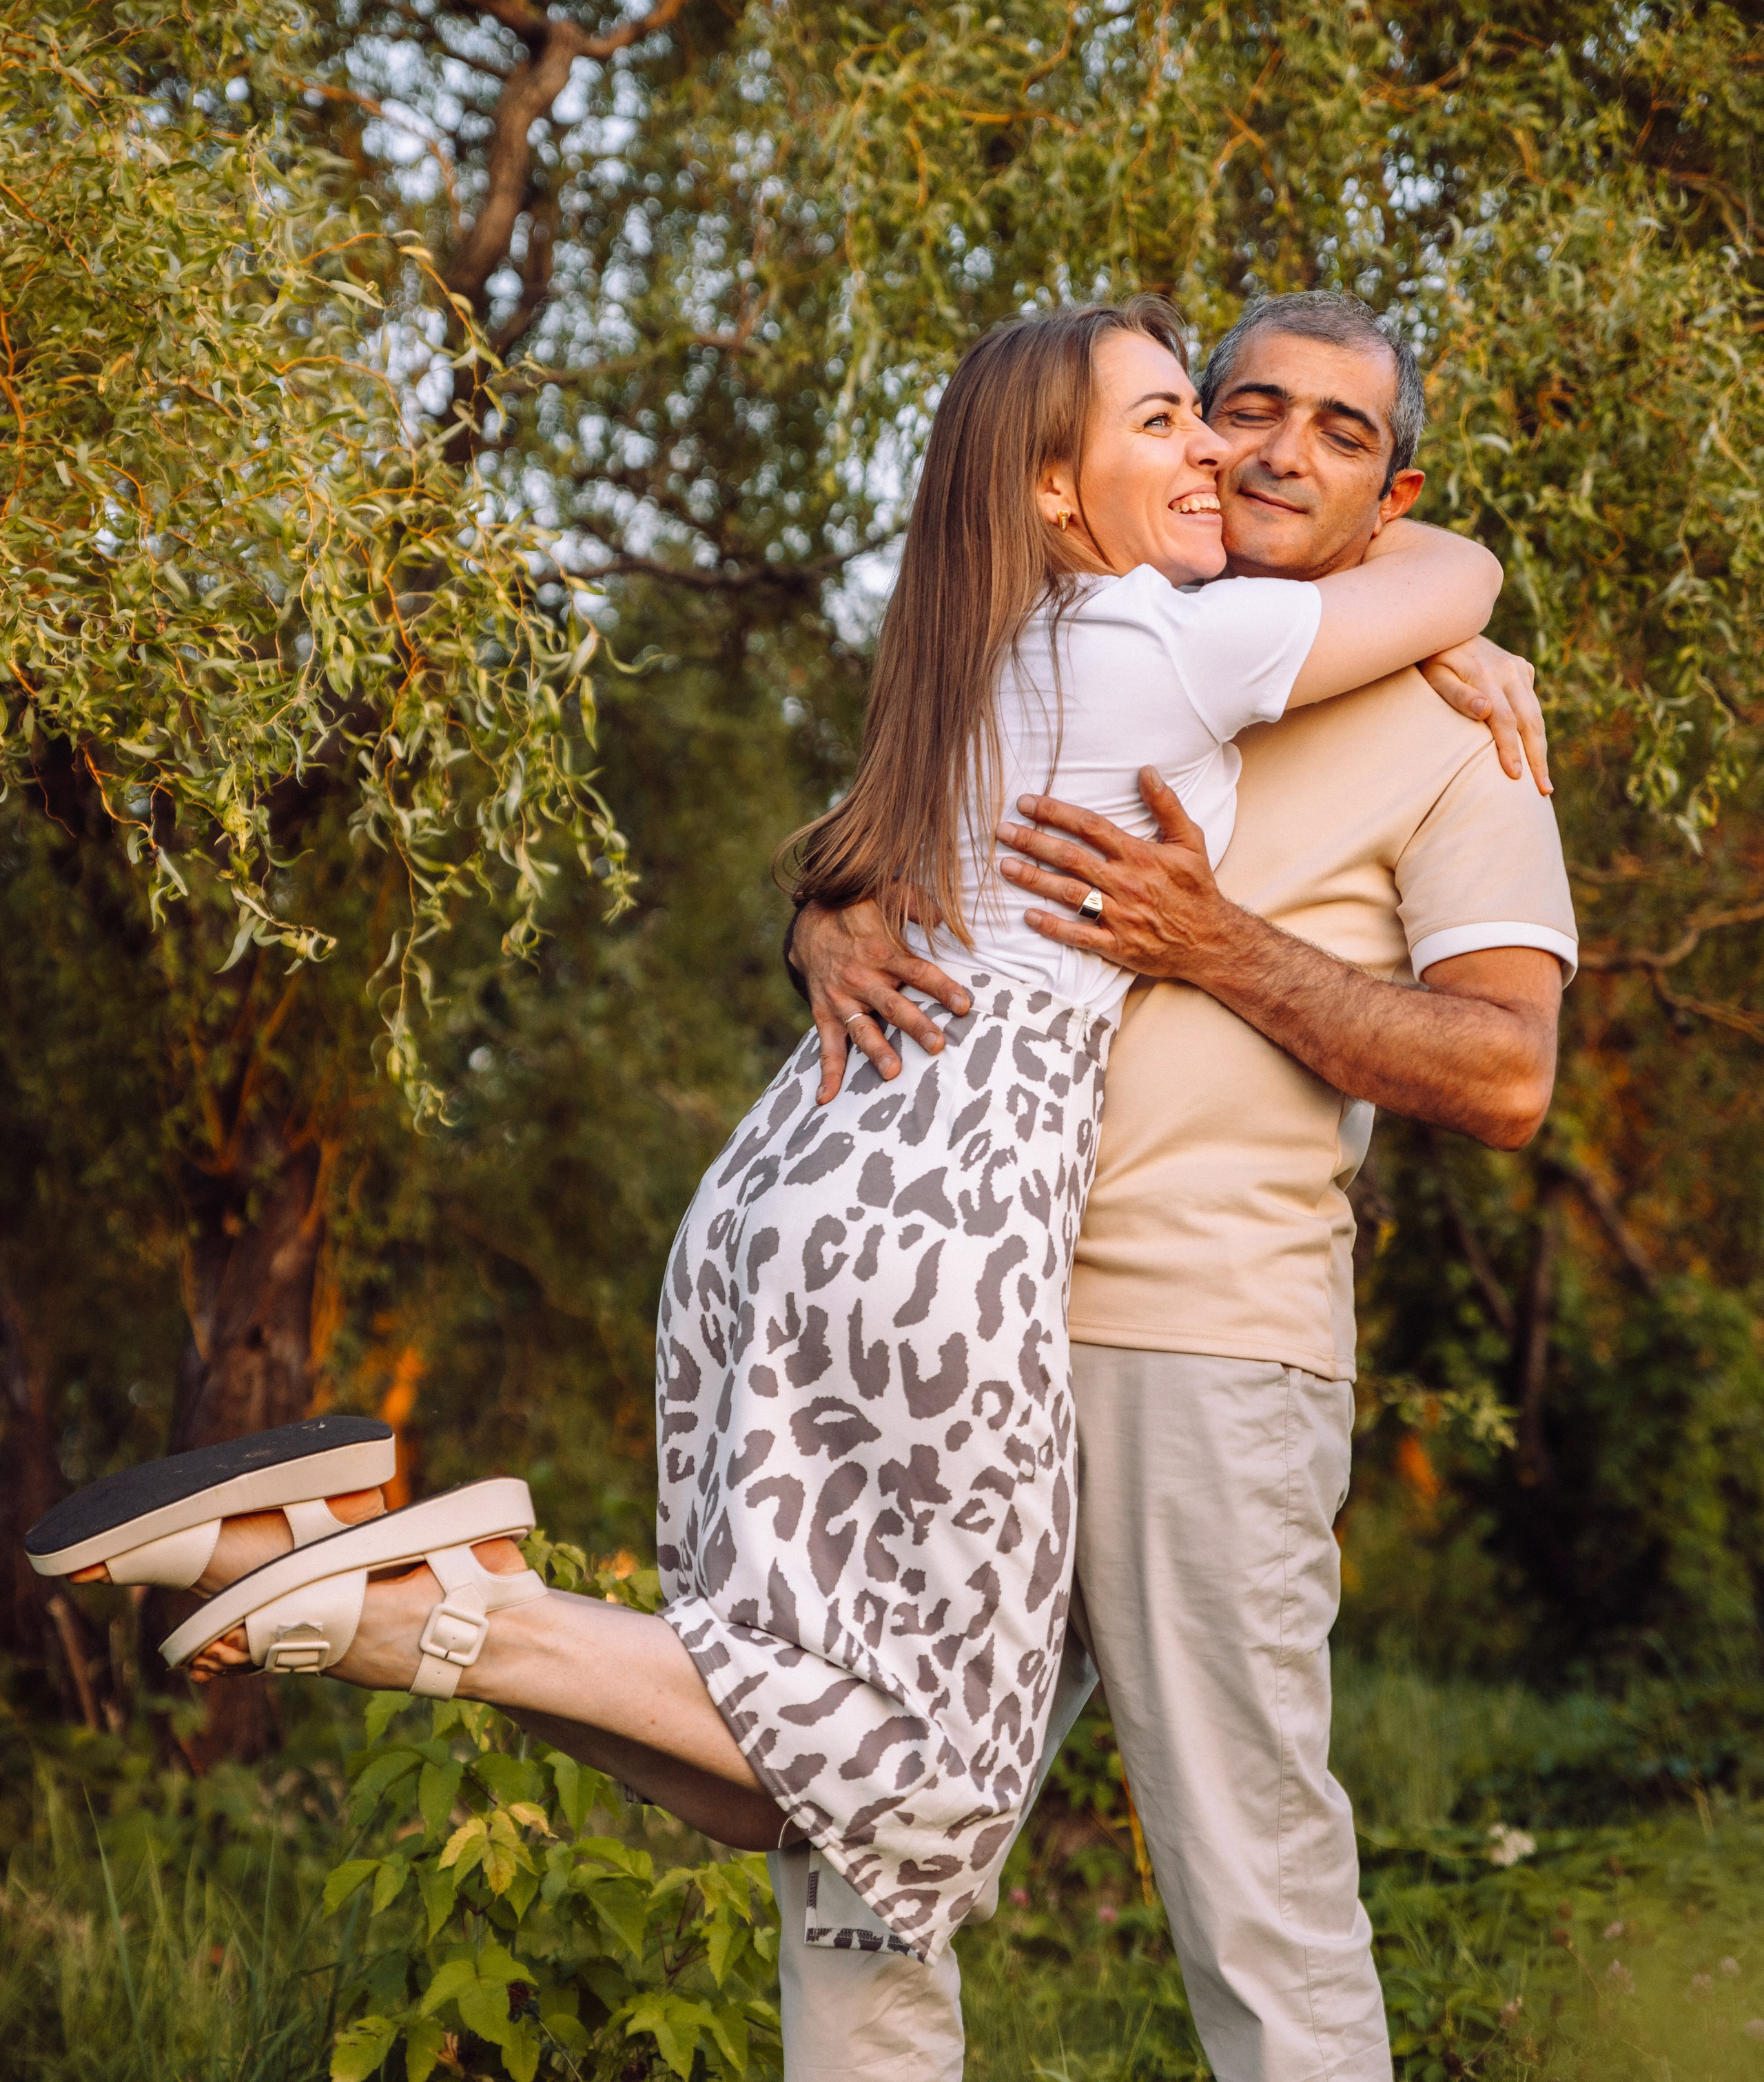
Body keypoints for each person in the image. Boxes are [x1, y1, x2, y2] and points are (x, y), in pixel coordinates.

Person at [28, 297, 1508, 1999]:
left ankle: (302, 1571)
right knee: (917, 1770)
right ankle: (438, 1603)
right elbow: (1452, 571)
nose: (1230, 457)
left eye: (1290, 433)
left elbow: (868, 847)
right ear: (1047, 486)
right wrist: (1440, 618)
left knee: (791, 1767)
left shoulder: (989, 644)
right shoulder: (1174, 644)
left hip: (792, 1185)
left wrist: (1400, 642)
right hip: (948, 1217)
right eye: (1188, 419)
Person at [787, 289, 1576, 2079]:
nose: (1280, 450)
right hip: (962, 1322)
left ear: (1400, 493)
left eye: (1342, 432)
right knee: (861, 1856)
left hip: (1203, 1343)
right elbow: (880, 857)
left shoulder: (1464, 733)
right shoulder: (1064, 642)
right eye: (1247, 407)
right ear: (1195, 438)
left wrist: (1222, 948)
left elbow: (1507, 1074)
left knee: (1251, 1872)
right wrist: (822, 922)